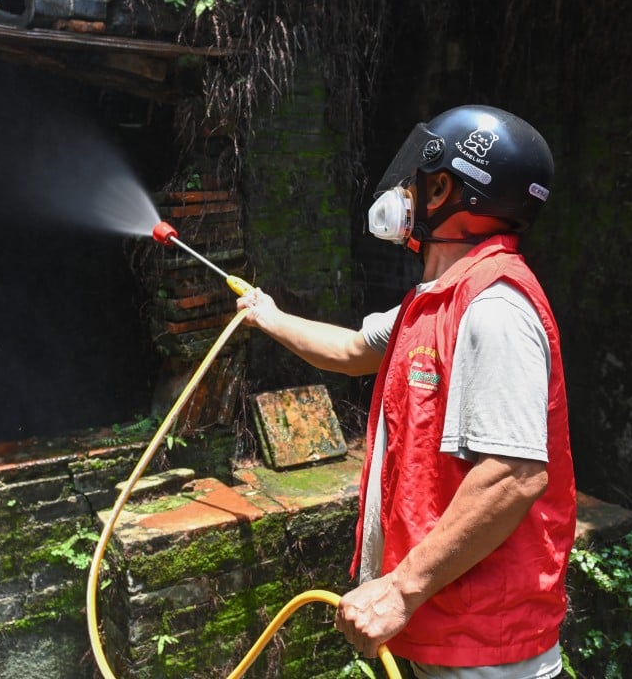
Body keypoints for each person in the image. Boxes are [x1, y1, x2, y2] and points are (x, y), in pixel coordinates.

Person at [237, 105, 576, 678]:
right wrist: (267, 316)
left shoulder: (494, 307)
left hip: (484, 648)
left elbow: (513, 475)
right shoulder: (436, 298)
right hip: (440, 625)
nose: (405, 193)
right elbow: (349, 351)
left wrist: (399, 591)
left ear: (443, 187)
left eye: (417, 179)